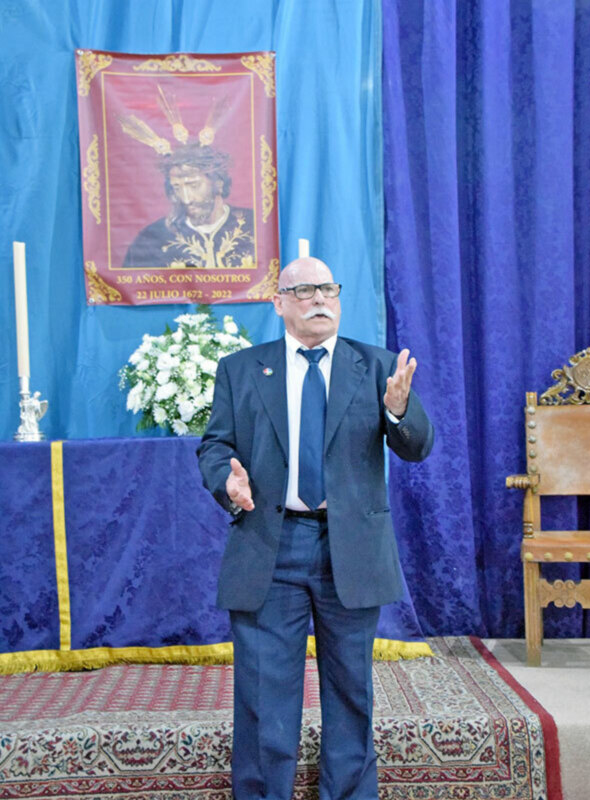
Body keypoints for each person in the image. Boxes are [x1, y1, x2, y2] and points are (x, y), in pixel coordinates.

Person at [197, 256, 434, 800]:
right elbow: (215, 445)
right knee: (265, 694)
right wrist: (226, 481)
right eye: (304, 290)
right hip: (269, 545)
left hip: (350, 548)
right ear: (278, 303)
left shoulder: (376, 367)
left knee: (351, 690)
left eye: (328, 288)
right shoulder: (241, 369)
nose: (319, 299)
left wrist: (399, 412)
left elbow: (418, 448)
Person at [123, 144, 255, 269]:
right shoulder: (151, 239)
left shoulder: (255, 225)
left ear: (218, 183)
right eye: (177, 188)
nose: (186, 200)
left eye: (194, 186)